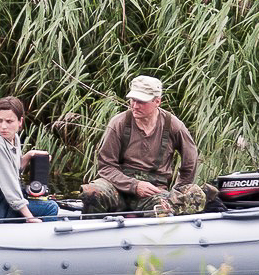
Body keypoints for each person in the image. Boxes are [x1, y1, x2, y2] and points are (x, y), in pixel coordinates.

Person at [80, 75, 207, 216]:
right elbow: (106, 167)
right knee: (92, 193)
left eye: (141, 102)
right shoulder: (119, 123)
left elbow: (190, 161)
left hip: (153, 191)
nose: (135, 106)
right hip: (118, 186)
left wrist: (177, 190)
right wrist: (134, 185)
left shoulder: (174, 126)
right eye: (132, 100)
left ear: (157, 101)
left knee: (165, 209)